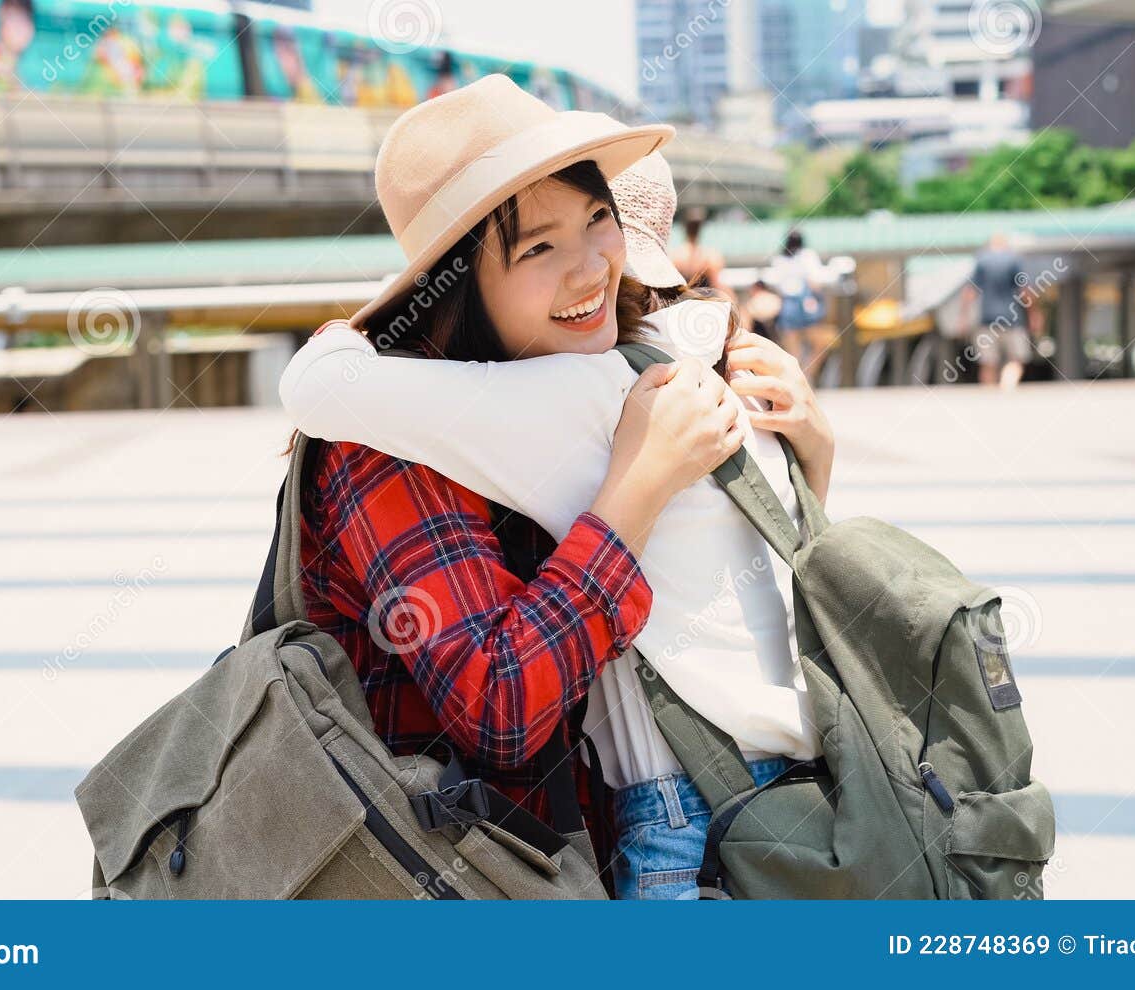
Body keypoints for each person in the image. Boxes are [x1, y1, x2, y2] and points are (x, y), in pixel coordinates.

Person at [282, 82, 833, 899]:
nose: (592, 269)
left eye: (598, 221)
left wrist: (809, 462)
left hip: (628, 850)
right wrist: (635, 492)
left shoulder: (579, 384)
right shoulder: (392, 446)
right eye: (537, 249)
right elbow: (502, 705)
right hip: (458, 884)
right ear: (458, 284)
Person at [962, 231, 1036, 389]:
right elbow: (1024, 291)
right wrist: (1033, 315)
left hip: (986, 319)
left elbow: (970, 292)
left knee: (988, 363)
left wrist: (963, 317)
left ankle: (989, 398)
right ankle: (1006, 388)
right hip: (1012, 319)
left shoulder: (981, 260)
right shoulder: (1014, 260)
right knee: (1016, 359)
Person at [761, 229, 829, 370]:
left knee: (792, 351)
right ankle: (809, 373)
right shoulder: (808, 256)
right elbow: (815, 282)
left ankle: (799, 375)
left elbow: (777, 285)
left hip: (787, 305)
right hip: (806, 304)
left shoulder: (779, 260)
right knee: (821, 344)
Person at [670, 207, 725, 292]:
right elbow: (717, 285)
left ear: (684, 227)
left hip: (680, 302)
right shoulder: (711, 257)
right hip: (704, 302)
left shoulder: (674, 256)